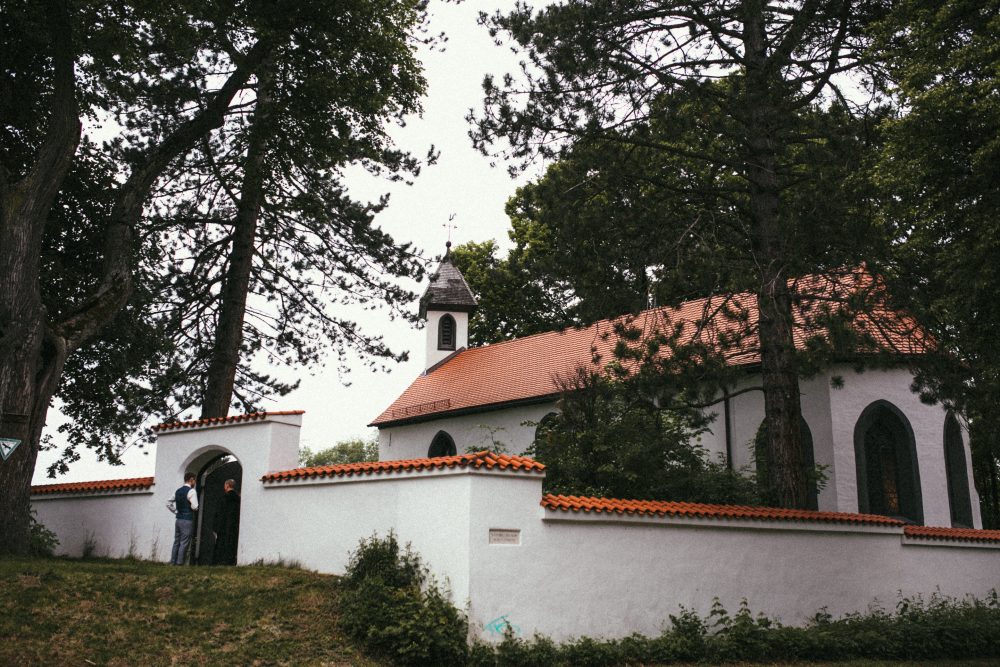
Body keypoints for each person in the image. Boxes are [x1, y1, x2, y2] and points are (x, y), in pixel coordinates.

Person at [170, 472, 199, 565]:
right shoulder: (191, 491)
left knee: (176, 541)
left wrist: (176, 511)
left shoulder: (178, 491)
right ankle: (179, 563)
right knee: (184, 542)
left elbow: (168, 503)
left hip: (178, 519)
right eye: (194, 480)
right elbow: (195, 507)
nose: (195, 482)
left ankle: (173, 562)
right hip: (187, 519)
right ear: (191, 480)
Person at [212, 478, 241, 565]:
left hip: (223, 526)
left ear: (227, 486)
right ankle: (230, 561)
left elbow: (218, 513)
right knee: (232, 544)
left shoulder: (223, 498)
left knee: (222, 545)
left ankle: (220, 561)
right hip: (234, 525)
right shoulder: (238, 499)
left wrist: (215, 527)